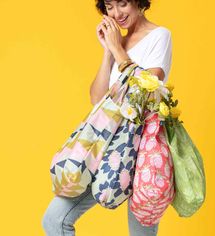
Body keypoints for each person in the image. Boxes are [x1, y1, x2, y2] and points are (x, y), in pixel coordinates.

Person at [42, 0, 172, 235]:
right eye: (109, 6)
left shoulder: (159, 36)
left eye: (123, 4)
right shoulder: (116, 44)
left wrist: (118, 50)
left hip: (142, 147)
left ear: (139, 3)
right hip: (105, 144)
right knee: (54, 220)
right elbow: (97, 98)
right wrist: (107, 51)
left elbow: (146, 92)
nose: (116, 13)